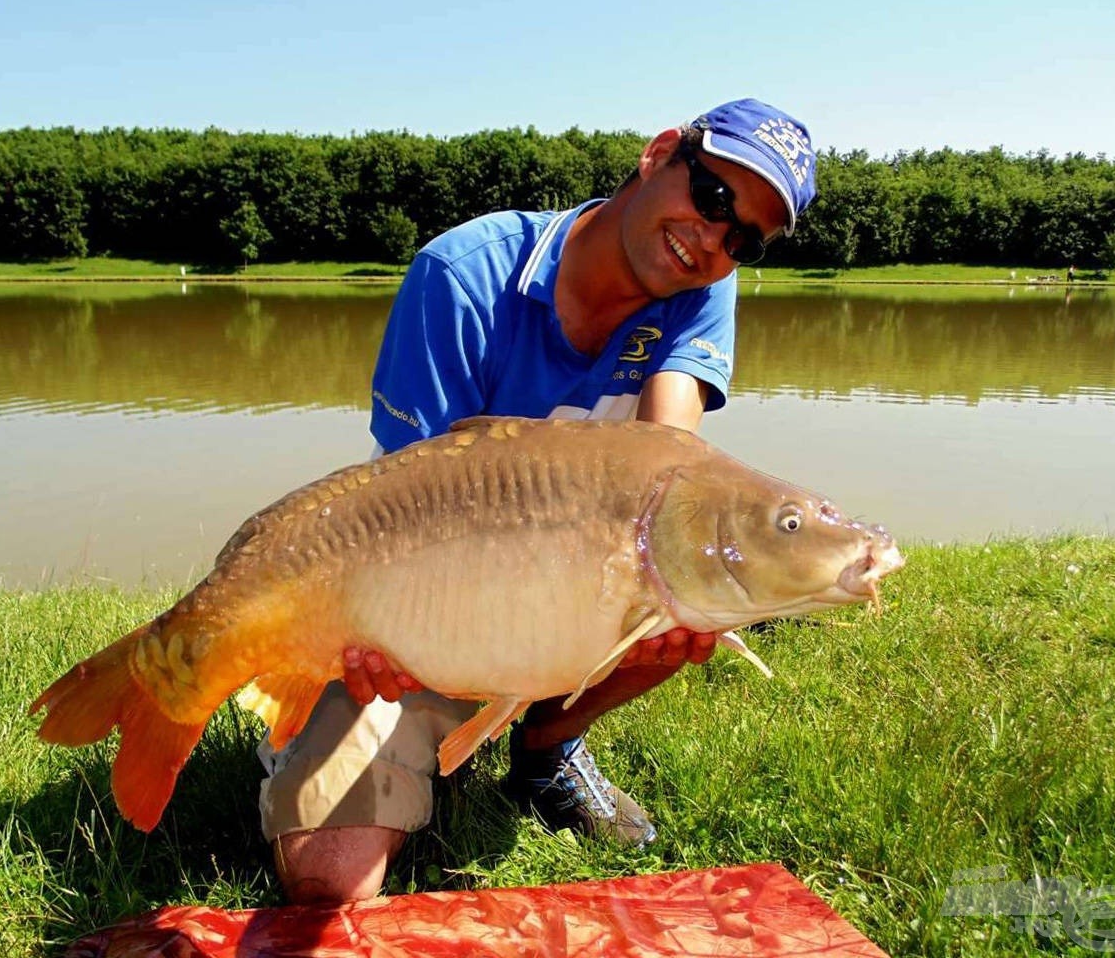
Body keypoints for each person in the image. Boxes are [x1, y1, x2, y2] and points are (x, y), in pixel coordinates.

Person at [259, 98, 818, 904]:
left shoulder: (703, 286)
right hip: (426, 595)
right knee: (333, 883)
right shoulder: (462, 276)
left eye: (745, 239)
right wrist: (380, 637)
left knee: (698, 580)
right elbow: (403, 511)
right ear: (660, 153)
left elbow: (676, 464)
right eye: (715, 197)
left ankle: (548, 745)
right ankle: (320, 714)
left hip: (569, 588)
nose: (712, 240)